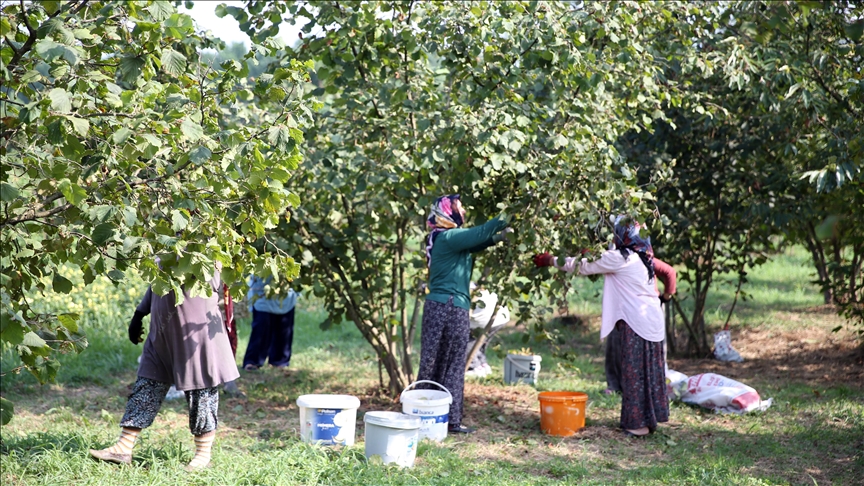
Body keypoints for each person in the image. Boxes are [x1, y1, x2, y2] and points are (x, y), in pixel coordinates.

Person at [90, 266, 239, 470]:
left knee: (201, 391)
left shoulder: (206, 244)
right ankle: (123, 447)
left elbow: (210, 280)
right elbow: (157, 280)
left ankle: (203, 454)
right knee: (147, 385)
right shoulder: (165, 240)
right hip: (161, 335)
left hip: (195, 335)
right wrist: (140, 312)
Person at [534, 217, 668, 437]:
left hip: (636, 323)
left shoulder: (620, 258)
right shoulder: (643, 258)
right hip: (651, 321)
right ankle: (648, 420)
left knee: (633, 373)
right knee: (647, 372)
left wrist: (550, 260)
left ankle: (637, 426)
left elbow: (581, 266)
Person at [419, 194, 511, 434]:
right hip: (447, 305)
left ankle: (440, 419)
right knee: (444, 362)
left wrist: (500, 237)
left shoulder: (447, 238)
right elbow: (480, 233)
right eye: (459, 208)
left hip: (449, 305)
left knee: (443, 361)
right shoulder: (448, 237)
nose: (463, 212)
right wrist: (509, 212)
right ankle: (431, 417)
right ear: (447, 212)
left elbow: (482, 241)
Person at [603, 257, 676, 394]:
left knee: (646, 350)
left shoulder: (638, 259)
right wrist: (666, 297)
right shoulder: (624, 258)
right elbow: (670, 272)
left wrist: (665, 298)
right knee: (616, 347)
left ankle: (644, 386)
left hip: (641, 308)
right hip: (625, 306)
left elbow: (670, 272)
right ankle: (617, 386)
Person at [242, 276, 299, 371]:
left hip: (285, 293)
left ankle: (279, 361)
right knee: (261, 328)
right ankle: (253, 361)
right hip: (262, 290)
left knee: (283, 329)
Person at [465, 283, 510, 378]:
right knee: (480, 343)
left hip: (485, 319)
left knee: (469, 341)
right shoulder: (474, 283)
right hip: (500, 317)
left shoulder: (463, 286)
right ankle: (482, 364)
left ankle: (473, 367)